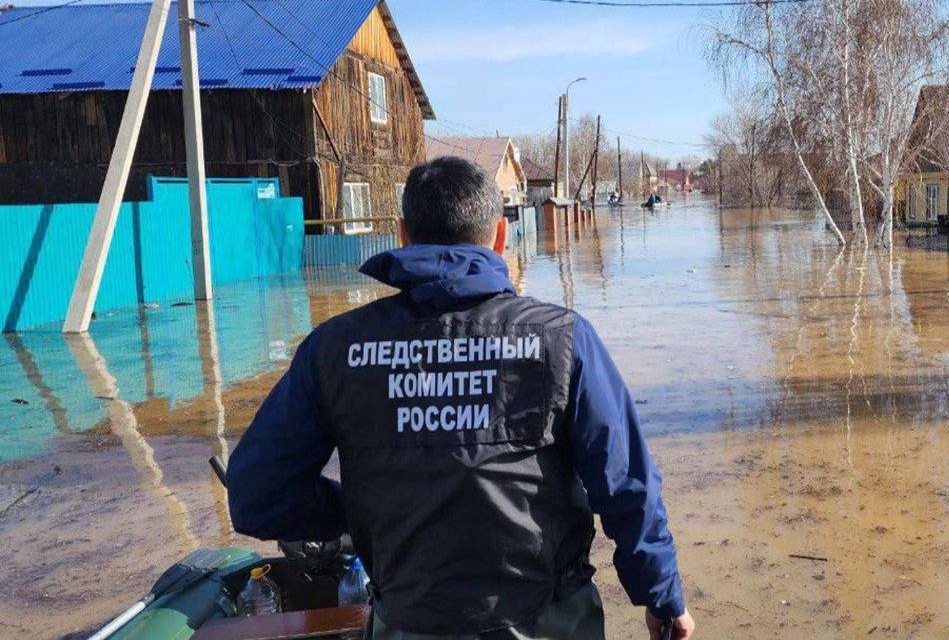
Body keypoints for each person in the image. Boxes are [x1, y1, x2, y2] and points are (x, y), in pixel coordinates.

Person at [226, 156, 695, 640]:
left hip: (407, 622)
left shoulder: (334, 349)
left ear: (403, 234)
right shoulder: (563, 339)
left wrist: (357, 511)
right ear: (500, 236)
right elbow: (626, 485)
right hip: (546, 620)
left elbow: (257, 495)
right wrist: (662, 597)